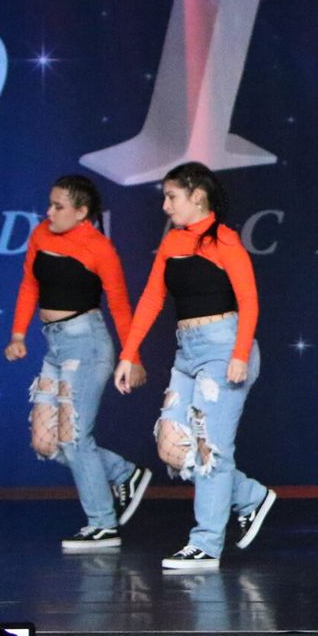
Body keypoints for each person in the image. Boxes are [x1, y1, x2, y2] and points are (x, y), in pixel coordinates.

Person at [113, 162, 276, 571]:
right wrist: (129, 354)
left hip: (224, 348)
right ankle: (251, 497)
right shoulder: (172, 243)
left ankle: (205, 543)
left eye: (172, 197)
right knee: (173, 446)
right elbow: (151, 300)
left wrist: (239, 355)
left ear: (197, 195)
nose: (166, 206)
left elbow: (250, 301)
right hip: (186, 353)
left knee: (211, 452)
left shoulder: (225, 241)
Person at [4, 174, 151, 552]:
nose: (49, 212)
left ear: (82, 212)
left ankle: (102, 524)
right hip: (53, 345)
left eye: (58, 206)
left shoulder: (99, 248)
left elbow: (119, 305)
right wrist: (18, 335)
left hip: (86, 344)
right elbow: (29, 285)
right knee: (46, 441)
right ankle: (124, 473)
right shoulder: (40, 235)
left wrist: (130, 355)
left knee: (74, 437)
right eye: (49, 204)